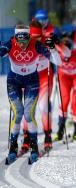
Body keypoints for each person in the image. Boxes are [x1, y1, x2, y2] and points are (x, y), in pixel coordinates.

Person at [0, 24, 57, 162]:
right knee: (18, 113)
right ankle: (13, 147)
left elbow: (57, 62)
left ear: (29, 37)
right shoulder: (10, 44)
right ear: (15, 38)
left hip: (32, 80)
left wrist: (53, 50)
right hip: (14, 81)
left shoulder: (36, 45)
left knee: (29, 114)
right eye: (19, 41)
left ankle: (34, 147)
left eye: (25, 41)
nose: (22, 45)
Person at [21, 20, 62, 152]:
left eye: (38, 37)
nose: (36, 40)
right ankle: (27, 138)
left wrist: (54, 48)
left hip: (45, 80)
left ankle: (47, 136)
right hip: (29, 80)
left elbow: (59, 62)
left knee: (44, 108)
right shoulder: (24, 42)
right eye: (33, 38)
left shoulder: (46, 41)